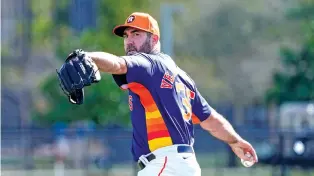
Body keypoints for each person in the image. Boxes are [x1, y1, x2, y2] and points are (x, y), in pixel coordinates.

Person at [85, 12, 258, 176]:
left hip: (165, 164)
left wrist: (87, 58)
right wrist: (235, 141)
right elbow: (210, 119)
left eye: (136, 34)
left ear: (154, 39)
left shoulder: (149, 64)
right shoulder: (182, 77)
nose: (129, 41)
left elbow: (117, 64)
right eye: (126, 35)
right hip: (182, 165)